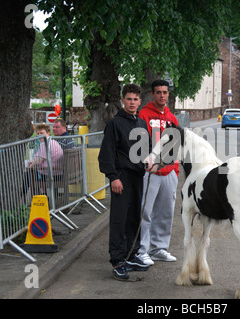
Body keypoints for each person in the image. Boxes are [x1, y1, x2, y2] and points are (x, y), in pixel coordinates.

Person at [98, 83, 151, 281]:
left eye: (136, 99)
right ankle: (118, 260)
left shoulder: (141, 123)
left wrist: (149, 162)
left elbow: (146, 150)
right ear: (123, 100)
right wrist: (113, 177)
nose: (132, 102)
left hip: (137, 176)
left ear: (140, 101)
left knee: (134, 217)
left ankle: (131, 254)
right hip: (121, 177)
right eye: (129, 99)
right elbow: (107, 154)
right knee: (119, 220)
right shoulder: (114, 124)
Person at [137, 79, 179, 265]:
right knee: (145, 212)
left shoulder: (172, 118)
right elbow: (139, 143)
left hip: (169, 172)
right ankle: (141, 250)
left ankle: (159, 248)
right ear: (152, 94)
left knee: (165, 212)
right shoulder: (143, 115)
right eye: (158, 92)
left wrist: (175, 170)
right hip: (150, 172)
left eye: (165, 92)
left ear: (168, 94)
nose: (162, 95)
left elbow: (177, 145)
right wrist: (147, 164)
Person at [22, 124, 63, 196]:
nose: (39, 135)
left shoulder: (45, 144)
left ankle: (23, 198)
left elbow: (38, 161)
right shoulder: (53, 142)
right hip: (57, 171)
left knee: (27, 175)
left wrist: (30, 166)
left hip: (50, 174)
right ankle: (41, 195)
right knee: (29, 173)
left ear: (48, 133)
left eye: (42, 133)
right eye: (38, 133)